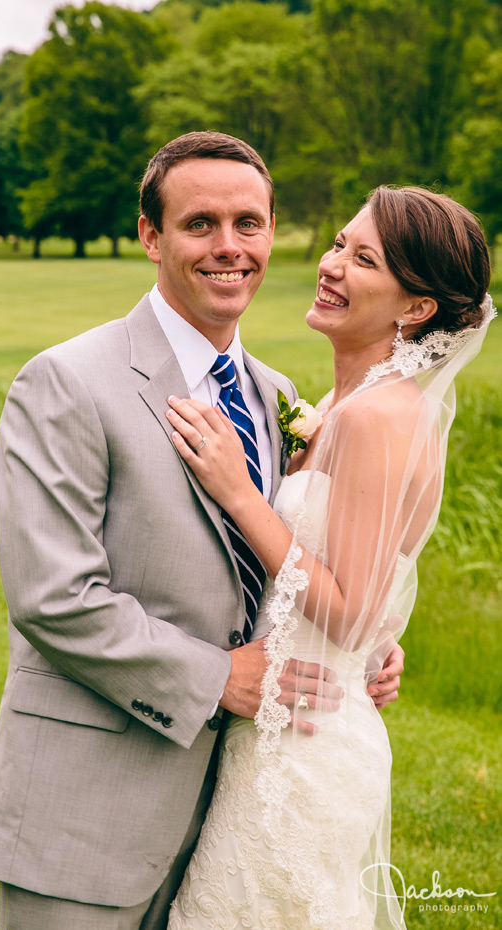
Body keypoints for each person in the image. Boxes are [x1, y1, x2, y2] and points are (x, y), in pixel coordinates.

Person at [0, 132, 404, 930]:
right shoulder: (67, 381)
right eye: (199, 223)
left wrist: (356, 645)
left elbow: (294, 563)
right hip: (91, 808)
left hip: (233, 814)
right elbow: (55, 597)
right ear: (151, 236)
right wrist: (220, 678)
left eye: (249, 223)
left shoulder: (277, 395)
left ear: (272, 234)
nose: (228, 248)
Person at [165, 186, 495, 929]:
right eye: (340, 243)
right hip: (283, 718)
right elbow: (360, 588)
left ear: (416, 310)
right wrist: (383, 640)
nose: (333, 265)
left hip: (307, 746)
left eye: (365, 258)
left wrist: (237, 490)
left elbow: (345, 613)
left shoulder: (381, 416)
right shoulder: (342, 405)